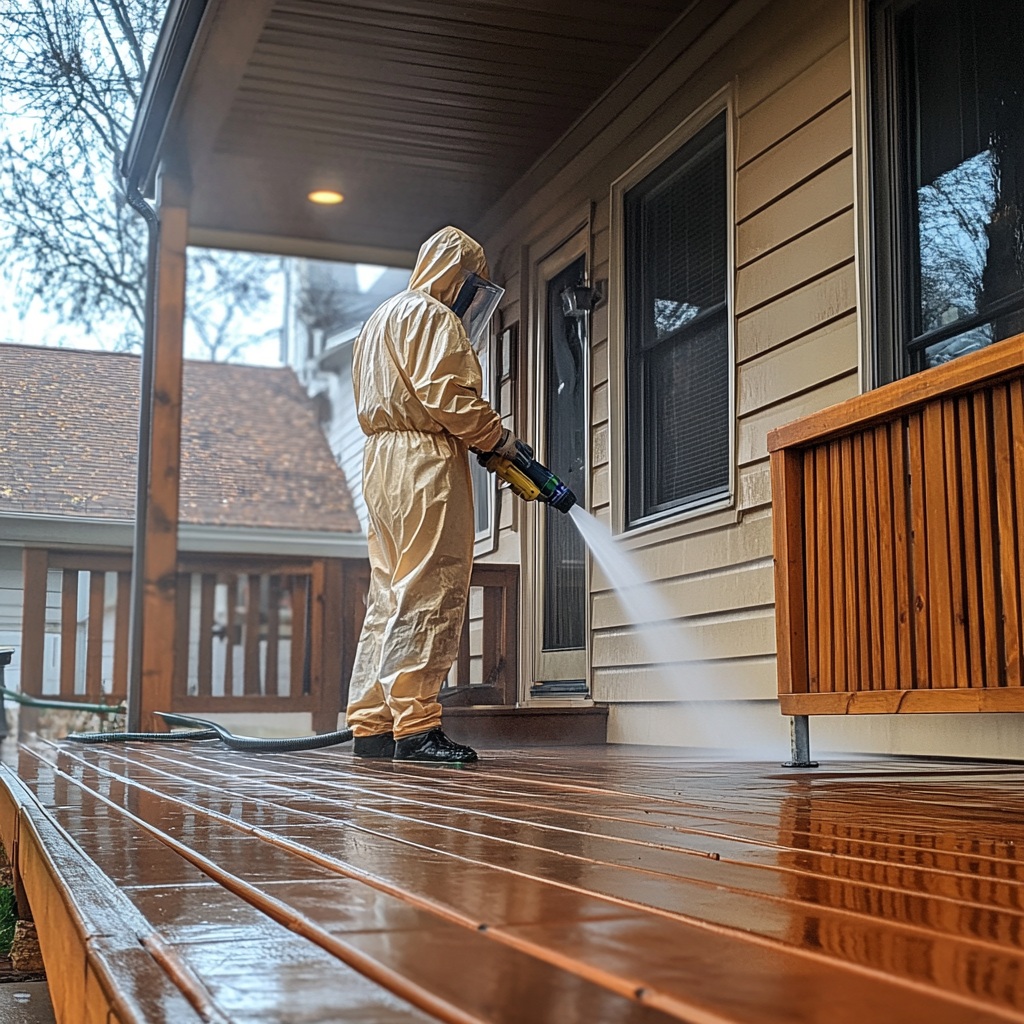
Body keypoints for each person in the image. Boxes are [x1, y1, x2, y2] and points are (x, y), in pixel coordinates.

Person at [345, 225, 521, 764]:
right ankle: (416, 728)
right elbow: (447, 395)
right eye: (471, 284)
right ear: (457, 273)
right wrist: (497, 440)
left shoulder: (379, 320)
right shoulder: (432, 316)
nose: (470, 297)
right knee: (430, 588)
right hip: (425, 461)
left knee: (389, 595)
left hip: (379, 463)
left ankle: (372, 724)